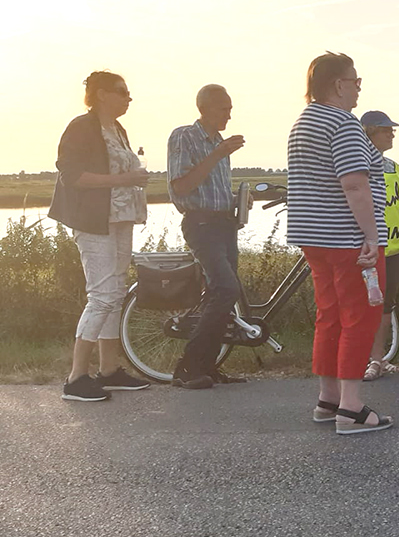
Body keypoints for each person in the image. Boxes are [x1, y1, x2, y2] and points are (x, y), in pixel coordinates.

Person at [287, 52, 391, 434]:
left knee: (329, 314)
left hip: (314, 237)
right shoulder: (343, 124)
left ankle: (327, 398)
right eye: (355, 80)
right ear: (337, 85)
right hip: (348, 238)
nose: (359, 86)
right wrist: (370, 235)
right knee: (360, 315)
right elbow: (354, 184)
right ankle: (351, 407)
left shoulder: (303, 122)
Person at [49, 71, 152, 401]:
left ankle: (109, 371)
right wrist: (124, 180)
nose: (129, 98)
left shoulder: (117, 129)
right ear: (102, 94)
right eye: (123, 92)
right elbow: (72, 176)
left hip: (120, 220)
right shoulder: (82, 127)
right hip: (94, 222)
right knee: (102, 296)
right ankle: (76, 378)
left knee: (116, 293)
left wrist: (131, 179)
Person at [166, 84, 250, 389]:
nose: (230, 114)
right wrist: (217, 154)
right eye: (224, 108)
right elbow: (182, 187)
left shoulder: (218, 142)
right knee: (226, 289)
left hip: (223, 223)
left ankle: (207, 367)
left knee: (226, 293)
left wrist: (236, 200)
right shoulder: (185, 136)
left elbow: (212, 189)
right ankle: (187, 369)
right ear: (206, 108)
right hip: (201, 225)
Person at [361, 110, 399, 381]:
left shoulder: (393, 166)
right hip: (368, 245)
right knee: (363, 304)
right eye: (385, 129)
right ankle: (365, 358)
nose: (392, 133)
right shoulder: (358, 161)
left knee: (386, 304)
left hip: (394, 244)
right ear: (369, 131)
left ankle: (377, 359)